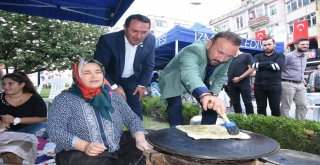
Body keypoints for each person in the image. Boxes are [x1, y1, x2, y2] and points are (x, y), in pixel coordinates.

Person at [47, 59, 153, 165]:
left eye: (98, 72)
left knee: (149, 138)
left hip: (116, 147)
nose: (94, 76)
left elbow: (132, 118)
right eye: (87, 73)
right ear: (77, 76)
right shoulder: (64, 99)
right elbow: (55, 130)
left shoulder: (114, 96)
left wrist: (139, 137)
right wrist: (84, 146)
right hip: (82, 153)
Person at [159, 31, 242, 127]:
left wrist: (213, 96)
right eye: (220, 52)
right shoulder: (194, 49)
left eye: (228, 56)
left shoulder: (227, 56)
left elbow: (220, 76)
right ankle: (176, 136)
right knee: (175, 107)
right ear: (209, 44)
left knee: (211, 107)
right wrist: (205, 94)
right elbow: (189, 72)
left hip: (200, 79)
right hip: (174, 78)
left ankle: (207, 135)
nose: (222, 59)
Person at [94, 14, 155, 120]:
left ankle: (139, 133)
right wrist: (114, 87)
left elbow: (149, 65)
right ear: (125, 28)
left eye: (144, 32)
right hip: (109, 75)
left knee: (136, 106)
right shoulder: (108, 40)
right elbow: (99, 67)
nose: (139, 36)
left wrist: (141, 85)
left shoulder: (150, 40)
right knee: (106, 104)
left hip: (132, 78)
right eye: (134, 31)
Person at [0, 71, 48, 165]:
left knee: (46, 127)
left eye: (10, 83)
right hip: (5, 131)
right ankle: (11, 152)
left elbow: (42, 118)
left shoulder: (34, 98)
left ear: (22, 84)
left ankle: (11, 152)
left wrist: (15, 120)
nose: (6, 86)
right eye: (4, 84)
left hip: (28, 129)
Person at [252, 37, 285, 116]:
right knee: (260, 108)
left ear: (274, 45)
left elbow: (277, 66)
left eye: (269, 44)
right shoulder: (257, 56)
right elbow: (254, 66)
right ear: (262, 46)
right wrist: (270, 63)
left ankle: (276, 127)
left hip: (274, 86)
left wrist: (260, 65)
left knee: (275, 108)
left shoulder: (280, 55)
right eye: (264, 45)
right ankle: (262, 127)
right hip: (259, 86)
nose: (267, 46)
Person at [280, 38, 309, 120]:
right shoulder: (288, 56)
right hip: (288, 83)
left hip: (300, 84)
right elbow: (280, 68)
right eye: (303, 44)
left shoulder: (305, 57)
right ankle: (285, 125)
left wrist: (302, 78)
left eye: (307, 44)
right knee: (286, 106)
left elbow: (301, 70)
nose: (305, 46)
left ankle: (299, 125)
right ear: (296, 45)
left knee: (303, 105)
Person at [227, 50, 254, 115]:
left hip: (244, 82)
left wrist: (240, 78)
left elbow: (251, 69)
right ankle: (239, 119)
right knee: (235, 103)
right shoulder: (229, 57)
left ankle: (251, 121)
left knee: (247, 102)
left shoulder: (247, 55)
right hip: (231, 83)